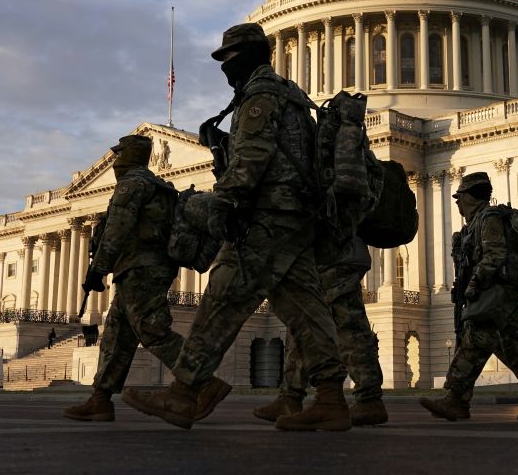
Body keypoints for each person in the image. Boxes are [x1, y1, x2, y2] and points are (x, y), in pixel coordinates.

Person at [122, 23, 351, 431]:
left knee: (221, 300)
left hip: (264, 219)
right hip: (296, 219)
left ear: (247, 57)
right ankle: (332, 398)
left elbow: (252, 157)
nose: (225, 67)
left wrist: (224, 202)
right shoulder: (293, 95)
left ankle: (185, 392)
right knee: (306, 311)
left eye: (229, 58)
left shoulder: (260, 96)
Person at [63, 135, 215, 422]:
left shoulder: (133, 184)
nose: (116, 162)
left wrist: (99, 269)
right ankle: (100, 398)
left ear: (129, 156)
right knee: (116, 334)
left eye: (119, 156)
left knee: (151, 329)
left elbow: (117, 229)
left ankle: (202, 381)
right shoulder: (159, 187)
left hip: (141, 268)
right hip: (143, 267)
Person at [419, 172, 518, 423]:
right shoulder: (472, 225)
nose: (457, 203)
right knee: (517, 347)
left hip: (494, 292)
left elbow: (495, 255)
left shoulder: (489, 219)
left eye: (459, 197)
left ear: (471, 197)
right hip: (501, 294)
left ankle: (455, 398)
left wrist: (474, 285)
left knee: (475, 339)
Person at [253, 233, 387, 427]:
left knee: (342, 326)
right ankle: (291, 396)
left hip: (333, 254)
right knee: (306, 319)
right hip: (333, 253)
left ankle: (368, 399)